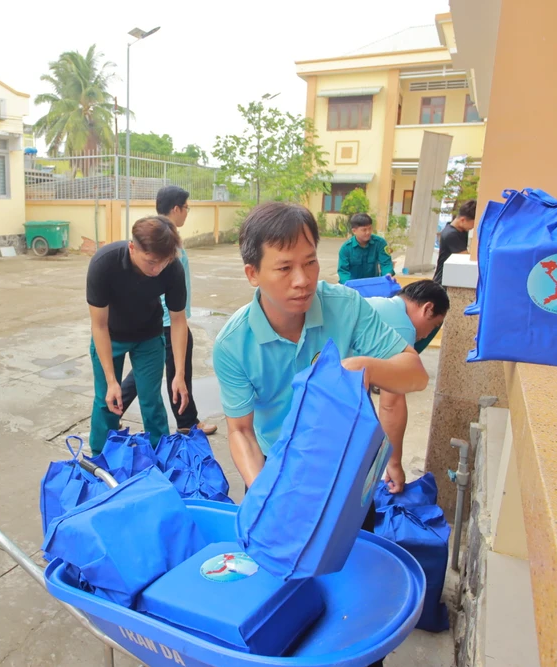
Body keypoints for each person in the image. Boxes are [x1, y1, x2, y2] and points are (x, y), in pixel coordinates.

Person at [213, 203, 428, 667]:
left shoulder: (345, 306)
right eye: (285, 267)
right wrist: (264, 493)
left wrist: (358, 367)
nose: (302, 280)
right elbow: (241, 432)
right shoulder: (233, 345)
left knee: (355, 595)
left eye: (310, 261)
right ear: (253, 273)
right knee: (287, 598)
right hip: (282, 475)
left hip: (352, 476)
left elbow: (415, 375)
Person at [86, 216, 189, 455]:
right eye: (151, 262)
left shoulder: (172, 267)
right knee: (106, 400)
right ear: (133, 248)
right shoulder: (104, 264)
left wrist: (180, 374)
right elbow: (98, 326)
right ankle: (100, 457)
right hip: (110, 336)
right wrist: (113, 381)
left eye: (164, 262)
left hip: (149, 335)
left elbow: (178, 322)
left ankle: (161, 454)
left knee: (151, 400)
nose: (158, 269)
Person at [120, 186, 217, 436]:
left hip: (166, 318)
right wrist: (172, 319)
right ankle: (187, 421)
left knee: (148, 370)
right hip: (167, 320)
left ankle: (114, 410)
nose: (187, 212)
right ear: (176, 208)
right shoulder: (165, 242)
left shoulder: (162, 235)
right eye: (186, 207)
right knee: (174, 369)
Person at [366, 280, 450, 494]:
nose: (424, 336)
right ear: (427, 308)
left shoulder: (382, 305)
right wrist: (393, 463)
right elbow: (391, 404)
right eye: (433, 326)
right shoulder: (402, 326)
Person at [337, 212, 394, 284]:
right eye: (364, 230)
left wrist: (387, 275)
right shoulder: (346, 248)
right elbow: (343, 271)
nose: (368, 232)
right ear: (354, 231)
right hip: (354, 286)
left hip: (373, 284)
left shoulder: (380, 243)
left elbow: (386, 263)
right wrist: (349, 284)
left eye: (370, 228)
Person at [433, 200, 476, 285]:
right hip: (444, 281)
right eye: (473, 223)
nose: (473, 227)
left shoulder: (460, 230)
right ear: (463, 220)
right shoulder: (451, 234)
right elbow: (466, 258)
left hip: (450, 278)